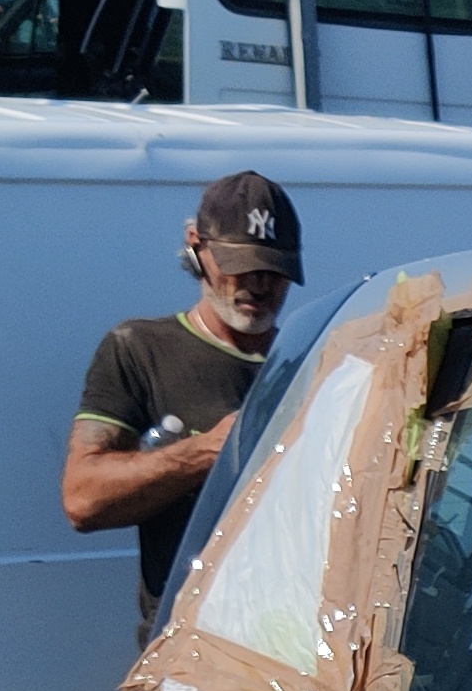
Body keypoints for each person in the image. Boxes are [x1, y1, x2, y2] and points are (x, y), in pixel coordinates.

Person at [65, 172, 303, 632]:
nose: (259, 284)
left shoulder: (312, 359)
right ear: (196, 245)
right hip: (187, 648)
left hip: (291, 644)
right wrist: (204, 452)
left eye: (275, 269)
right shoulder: (139, 349)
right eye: (241, 264)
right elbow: (82, 499)